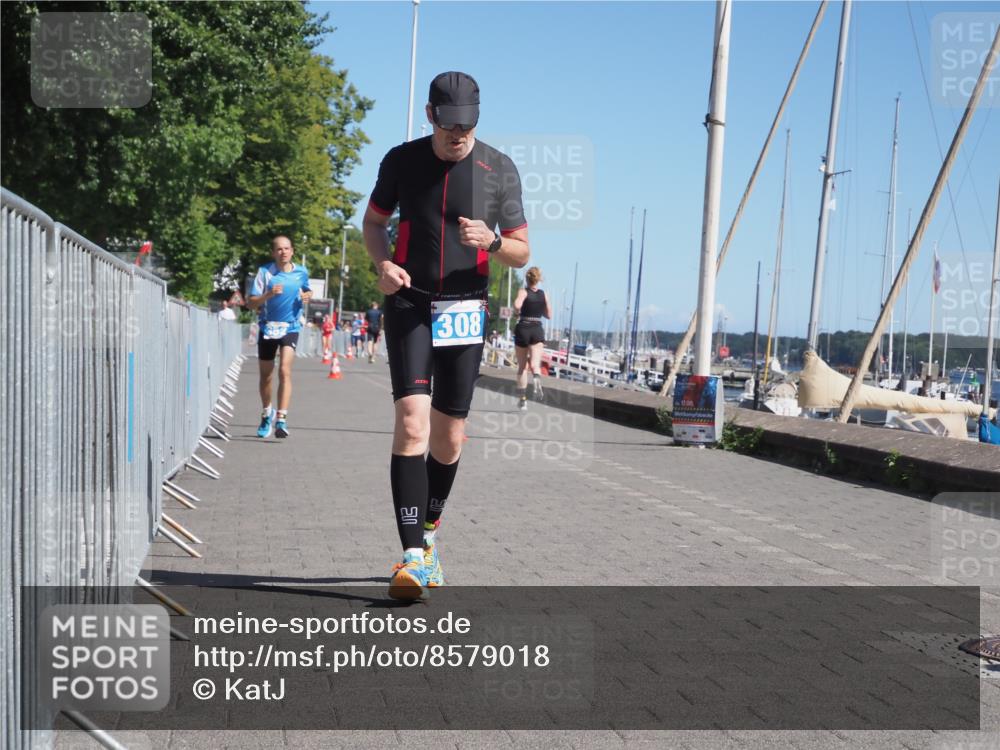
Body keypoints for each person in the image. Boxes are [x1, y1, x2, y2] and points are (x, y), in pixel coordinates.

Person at [363, 71, 529, 600]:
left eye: (468, 125)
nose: (459, 134)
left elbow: (523, 252)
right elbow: (372, 224)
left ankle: (430, 535)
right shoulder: (401, 160)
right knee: (411, 420)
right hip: (410, 301)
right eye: (450, 124)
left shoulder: (499, 169)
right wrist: (383, 264)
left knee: (449, 435)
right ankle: (411, 558)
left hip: (465, 307)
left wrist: (495, 240)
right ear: (431, 116)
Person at [247, 236, 312, 439]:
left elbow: (307, 289)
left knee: (284, 370)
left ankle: (281, 419)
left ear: (292, 251)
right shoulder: (265, 273)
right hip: (268, 327)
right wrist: (267, 295)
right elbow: (250, 303)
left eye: (287, 248)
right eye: (279, 249)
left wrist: (307, 295)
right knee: (266, 375)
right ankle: (267, 413)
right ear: (273, 252)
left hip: (291, 327)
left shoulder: (301, 272)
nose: (283, 252)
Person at [513, 267, 551, 410]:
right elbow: (549, 315)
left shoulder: (523, 292)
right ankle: (536, 377)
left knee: (522, 367)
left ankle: (522, 399)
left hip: (523, 327)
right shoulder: (543, 295)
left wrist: (517, 311)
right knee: (535, 364)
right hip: (536, 329)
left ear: (527, 279)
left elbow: (517, 305)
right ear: (538, 279)